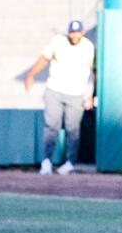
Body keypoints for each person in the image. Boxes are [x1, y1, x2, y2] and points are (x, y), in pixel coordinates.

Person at [25, 20, 95, 176]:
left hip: (77, 93)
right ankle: (46, 162)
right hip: (55, 90)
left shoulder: (88, 46)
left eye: (78, 32)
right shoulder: (58, 42)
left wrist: (91, 95)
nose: (75, 35)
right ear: (69, 32)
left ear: (82, 33)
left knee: (73, 129)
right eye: (72, 32)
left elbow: (93, 70)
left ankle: (70, 163)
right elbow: (44, 59)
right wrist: (31, 75)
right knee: (51, 126)